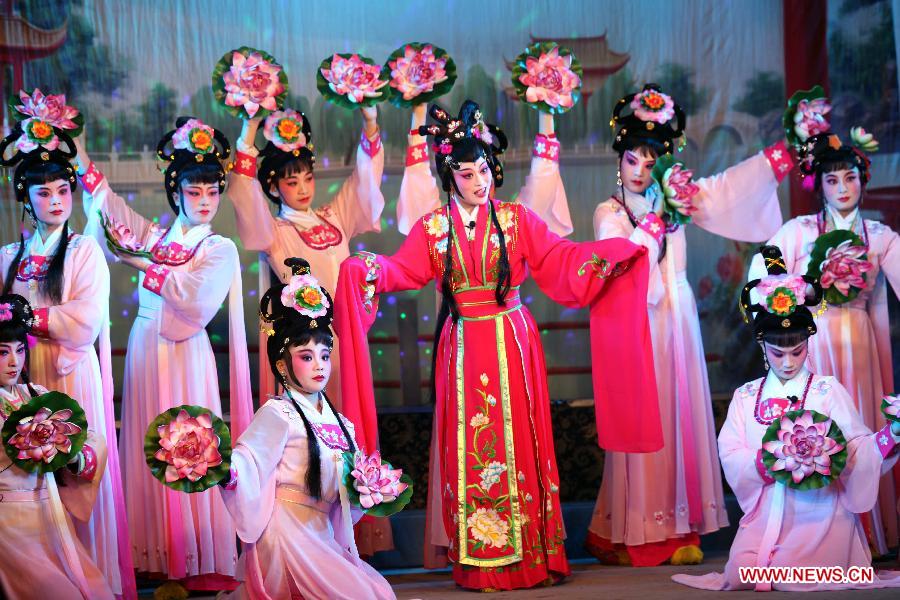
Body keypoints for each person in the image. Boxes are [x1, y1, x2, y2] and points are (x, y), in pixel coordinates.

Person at [334, 99, 662, 591]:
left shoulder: (516, 220)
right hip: (463, 343)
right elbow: (404, 270)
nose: (477, 181)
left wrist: (616, 253)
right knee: (471, 445)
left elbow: (560, 258)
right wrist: (369, 267)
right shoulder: (433, 229)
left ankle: (533, 555)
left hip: (511, 340)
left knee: (520, 443)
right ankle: (482, 558)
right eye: (465, 174)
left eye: (483, 169)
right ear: (451, 177)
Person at [587, 83, 796, 566]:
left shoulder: (676, 198)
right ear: (618, 161)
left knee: (679, 409)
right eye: (632, 160)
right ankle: (636, 528)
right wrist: (657, 221)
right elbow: (622, 260)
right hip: (637, 321)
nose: (640, 171)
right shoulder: (609, 212)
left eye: (649, 160)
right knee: (645, 416)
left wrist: (781, 155)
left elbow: (727, 190)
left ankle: (682, 525)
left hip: (677, 317)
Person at [75, 117, 253, 590]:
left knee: (191, 443)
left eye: (213, 192)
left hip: (186, 350)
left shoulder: (220, 248)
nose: (205, 202)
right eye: (195, 193)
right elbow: (109, 208)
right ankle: (156, 553)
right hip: (146, 347)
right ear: (176, 194)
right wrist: (79, 156)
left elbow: (194, 299)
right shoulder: (157, 239)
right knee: (148, 444)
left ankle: (200, 555)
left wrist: (139, 264)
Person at [672, 245, 900, 591]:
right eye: (778, 353)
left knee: (796, 576)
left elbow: (856, 450)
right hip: (767, 512)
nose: (789, 362)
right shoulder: (747, 396)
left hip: (823, 513)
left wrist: (892, 434)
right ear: (763, 347)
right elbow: (730, 453)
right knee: (739, 574)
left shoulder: (826, 389)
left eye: (798, 351)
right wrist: (772, 461)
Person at [0, 108, 134, 596]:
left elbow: (85, 320)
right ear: (27, 200)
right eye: (44, 193)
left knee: (74, 468)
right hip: (22, 374)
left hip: (68, 372)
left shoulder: (83, 252)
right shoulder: (9, 257)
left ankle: (89, 577)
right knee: (30, 476)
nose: (56, 201)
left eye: (63, 191)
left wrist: (24, 317)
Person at [748, 127, 900, 554]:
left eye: (850, 178)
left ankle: (866, 528)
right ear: (821, 187)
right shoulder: (799, 230)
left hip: (859, 341)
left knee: (861, 427)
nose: (843, 188)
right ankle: (813, 527)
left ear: (861, 180)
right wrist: (795, 291)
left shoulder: (879, 236)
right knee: (814, 429)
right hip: (813, 341)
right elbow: (764, 269)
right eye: (832, 181)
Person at [220, 257, 395, 599]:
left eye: (325, 355)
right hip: (287, 533)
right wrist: (221, 467)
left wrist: (371, 491)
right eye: (306, 356)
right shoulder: (278, 413)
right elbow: (246, 461)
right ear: (282, 365)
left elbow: (349, 493)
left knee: (379, 593)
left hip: (322, 533)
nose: (319, 366)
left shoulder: (342, 425)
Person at [0, 293, 113, 599]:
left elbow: (90, 437)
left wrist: (72, 457)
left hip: (48, 511)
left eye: (20, 350)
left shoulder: (37, 394)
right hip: (8, 522)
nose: (14, 362)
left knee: (93, 589)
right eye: (3, 352)